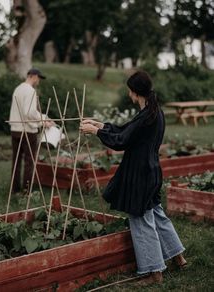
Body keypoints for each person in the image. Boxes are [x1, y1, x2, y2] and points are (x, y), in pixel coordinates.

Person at [80, 70, 187, 285]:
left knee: (141, 220)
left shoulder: (148, 115)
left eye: (130, 91)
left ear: (135, 93)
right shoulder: (153, 112)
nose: (129, 94)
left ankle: (154, 272)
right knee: (157, 215)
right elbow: (125, 130)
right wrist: (100, 125)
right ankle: (179, 258)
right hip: (152, 171)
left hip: (140, 175)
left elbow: (121, 141)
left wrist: (95, 133)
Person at [9, 68, 54, 193]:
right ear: (33, 76)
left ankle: (15, 188)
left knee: (16, 160)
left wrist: (43, 119)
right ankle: (26, 190)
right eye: (39, 78)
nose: (39, 80)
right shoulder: (30, 91)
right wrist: (43, 120)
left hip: (15, 129)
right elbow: (29, 112)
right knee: (30, 160)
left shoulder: (18, 88)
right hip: (27, 131)